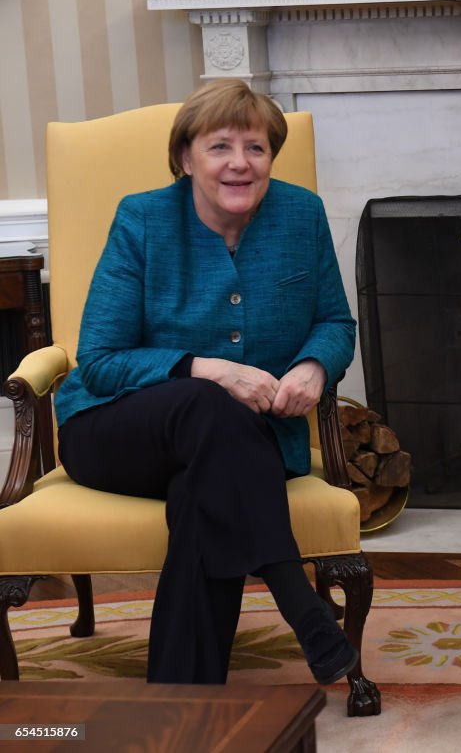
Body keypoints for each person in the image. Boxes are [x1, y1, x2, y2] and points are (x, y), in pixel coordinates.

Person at [53, 79, 360, 686]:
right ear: (185, 157)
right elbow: (101, 360)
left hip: (240, 447)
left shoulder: (301, 214)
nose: (240, 163)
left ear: (273, 156)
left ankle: (183, 703)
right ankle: (301, 604)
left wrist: (315, 366)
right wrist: (210, 368)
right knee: (204, 400)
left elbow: (334, 321)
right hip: (115, 432)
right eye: (220, 147)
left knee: (207, 489)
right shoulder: (142, 219)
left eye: (256, 147)